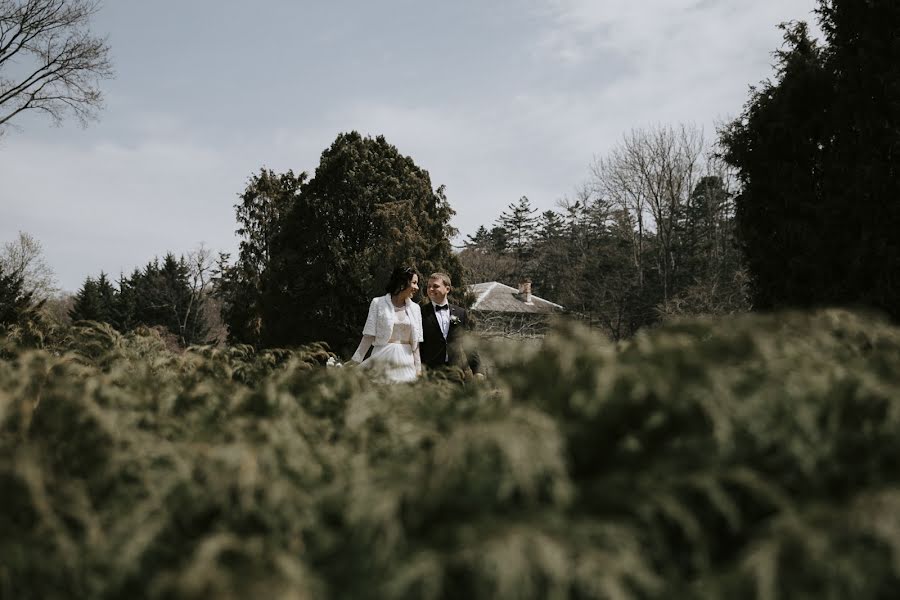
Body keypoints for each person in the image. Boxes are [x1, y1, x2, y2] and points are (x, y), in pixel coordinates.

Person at [348, 266, 424, 383]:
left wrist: (418, 369)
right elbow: (368, 336)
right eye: (414, 283)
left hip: (406, 363)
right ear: (403, 283)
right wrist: (355, 361)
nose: (417, 287)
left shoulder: (415, 308)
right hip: (381, 359)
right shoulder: (377, 303)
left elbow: (416, 344)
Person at [420, 272, 480, 376]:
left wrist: (477, 370)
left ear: (447, 289)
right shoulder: (420, 312)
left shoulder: (460, 313)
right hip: (429, 373)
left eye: (435, 286)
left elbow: (467, 342)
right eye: (429, 286)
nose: (430, 289)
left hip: (455, 372)